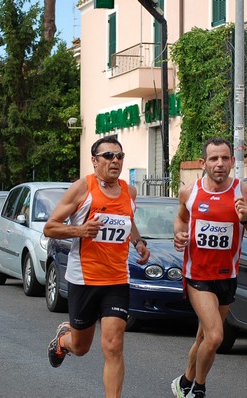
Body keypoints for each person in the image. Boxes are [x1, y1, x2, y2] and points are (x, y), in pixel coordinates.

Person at [43, 136, 150, 398]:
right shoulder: (82, 189)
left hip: (116, 280)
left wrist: (138, 243)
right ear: (94, 161)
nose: (115, 161)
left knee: (114, 345)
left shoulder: (129, 191)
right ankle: (63, 340)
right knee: (80, 347)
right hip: (84, 279)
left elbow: (128, 221)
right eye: (108, 156)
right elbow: (50, 227)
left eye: (119, 156)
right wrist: (80, 230)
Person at [171, 138, 247, 398]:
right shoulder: (189, 192)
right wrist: (179, 236)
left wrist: (245, 219)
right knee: (215, 337)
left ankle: (184, 381)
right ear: (203, 163)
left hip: (226, 276)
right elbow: (180, 221)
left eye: (225, 158)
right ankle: (198, 388)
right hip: (197, 276)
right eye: (214, 159)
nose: (220, 164)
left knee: (204, 339)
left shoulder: (245, 193)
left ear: (233, 162)